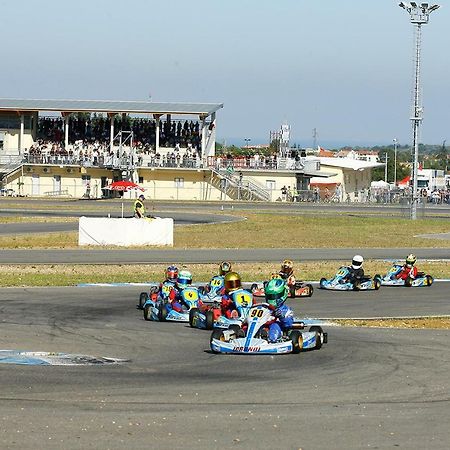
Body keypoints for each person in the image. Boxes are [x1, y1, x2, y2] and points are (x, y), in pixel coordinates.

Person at [265, 278, 294, 343]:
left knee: (274, 325)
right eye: (270, 296)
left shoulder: (285, 310)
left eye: (275, 296)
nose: (272, 299)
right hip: (261, 325)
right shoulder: (264, 307)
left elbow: (289, 324)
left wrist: (281, 316)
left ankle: (271, 339)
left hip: (280, 329)